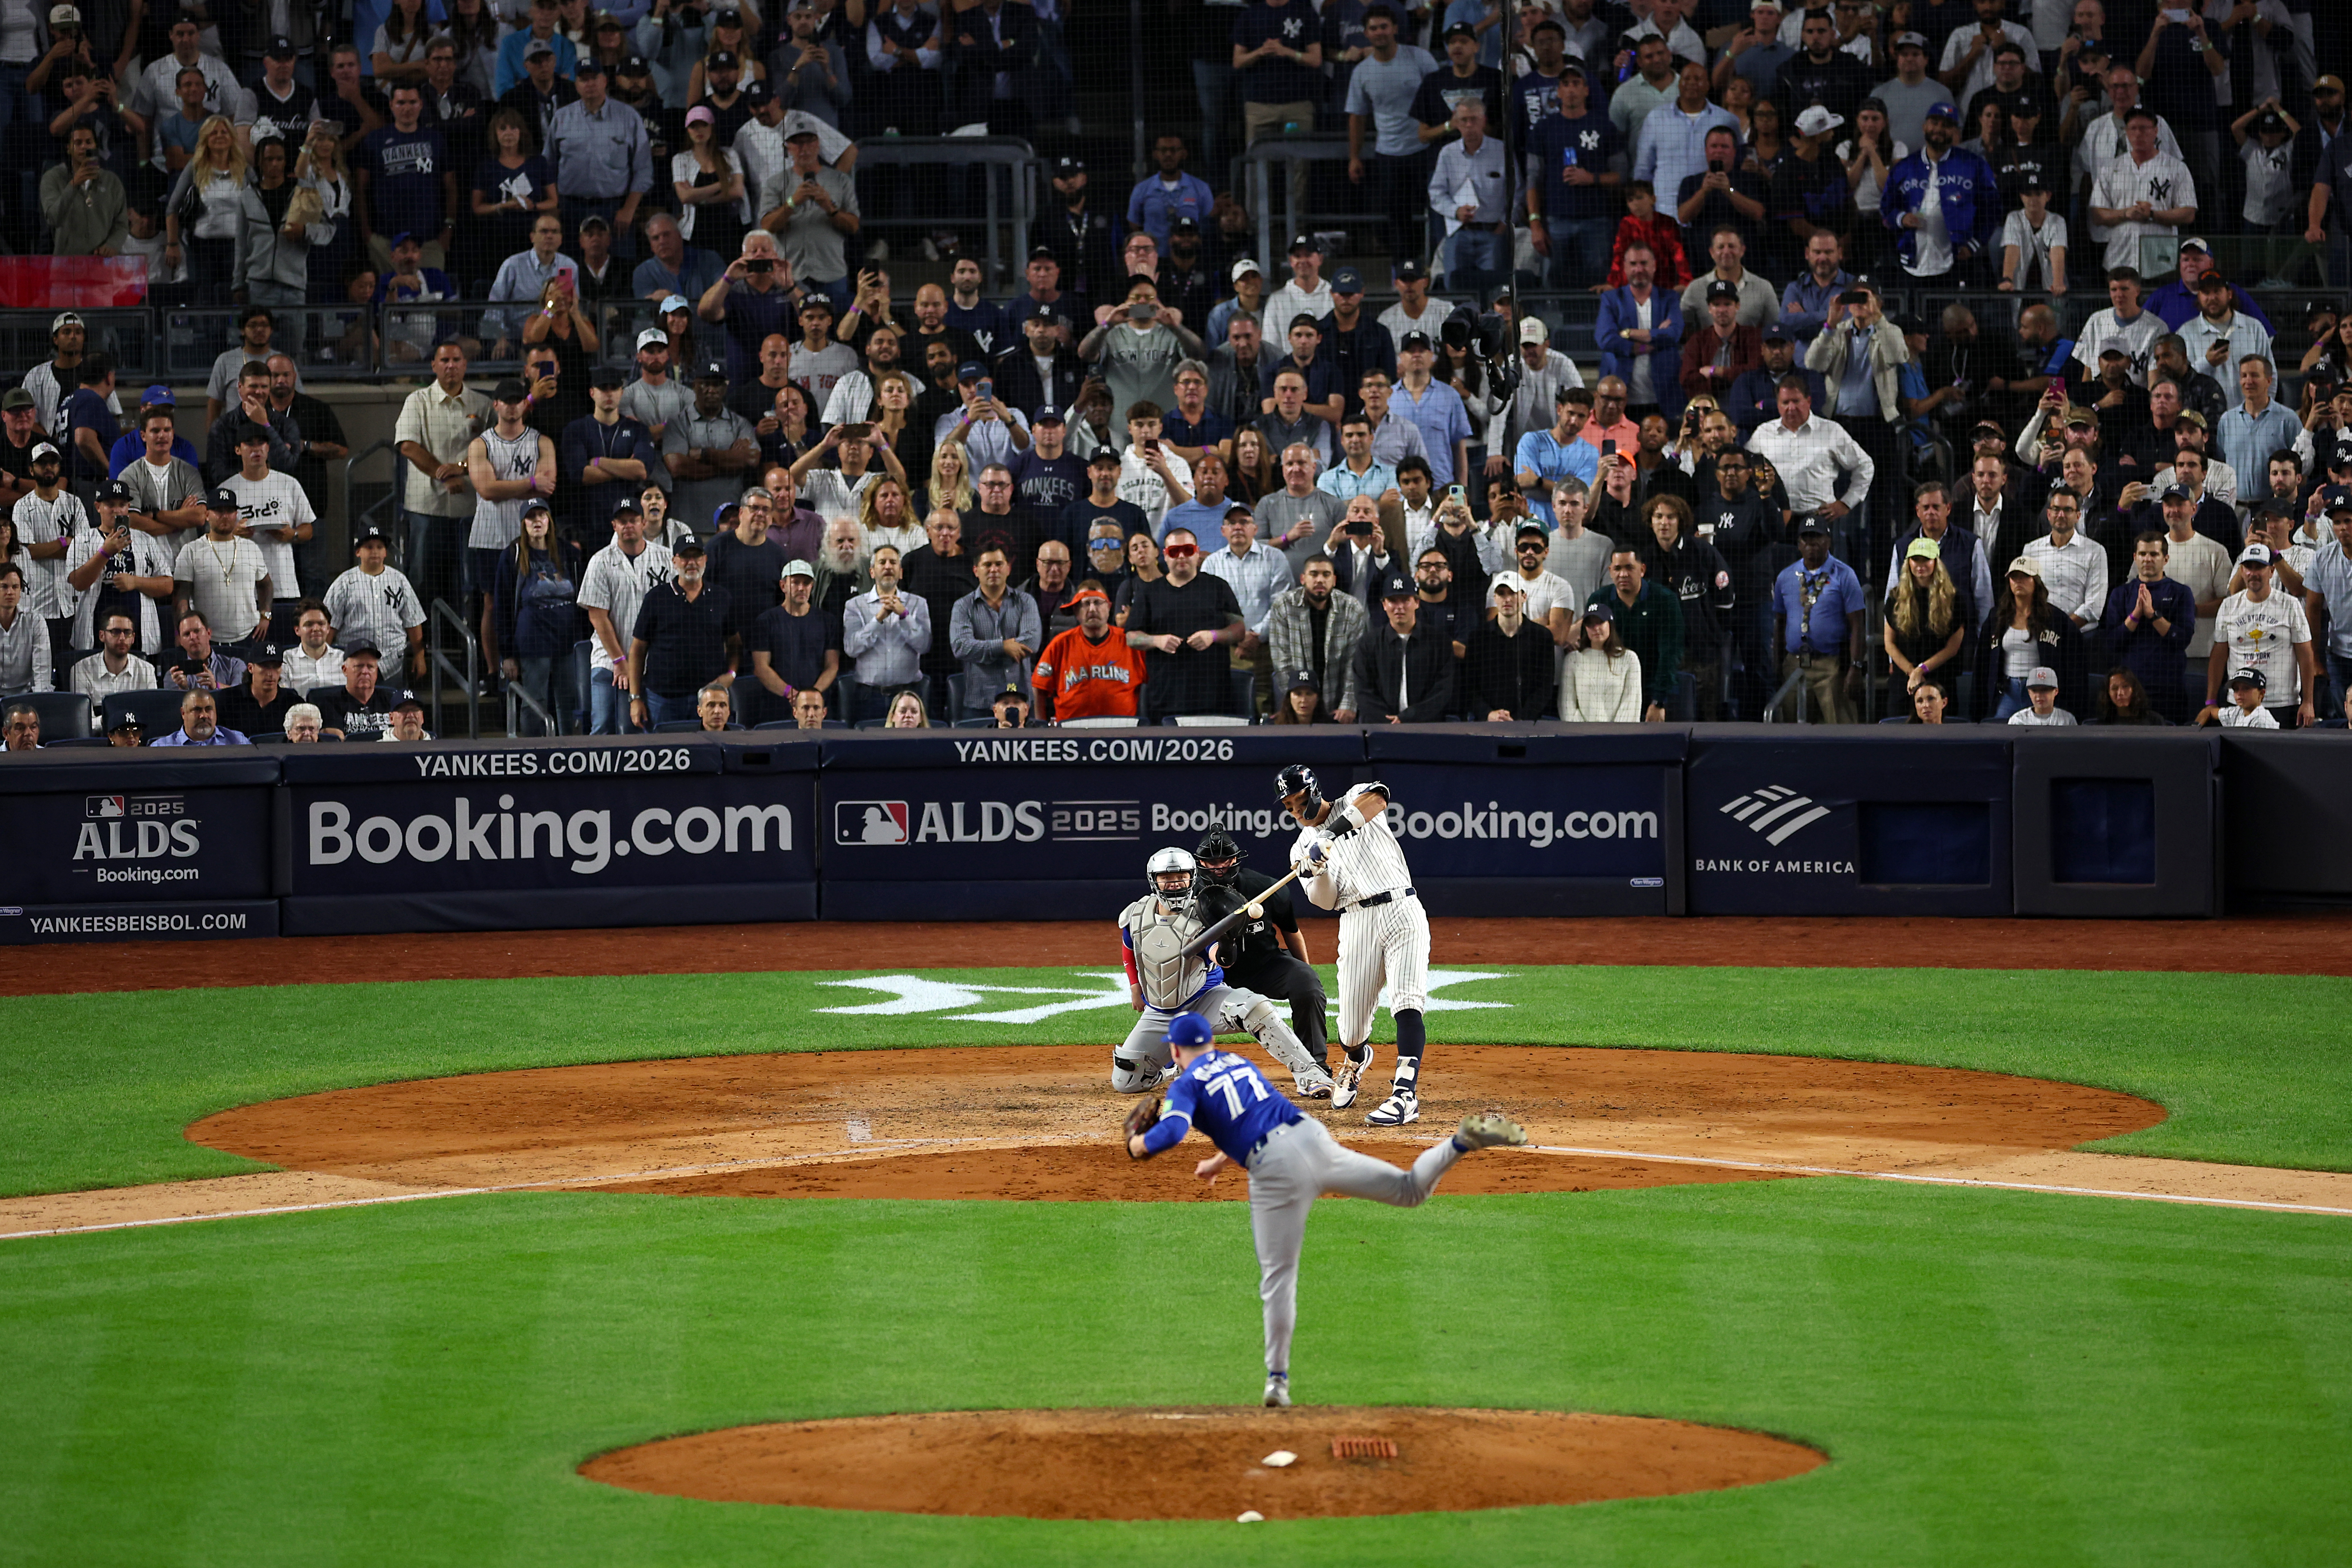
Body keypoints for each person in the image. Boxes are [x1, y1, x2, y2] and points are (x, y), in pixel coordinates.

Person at [1275, 764, 1428, 1125]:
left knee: (1408, 1001)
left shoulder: (1353, 797)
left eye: (1300, 801)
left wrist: (1331, 834)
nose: (1297, 812)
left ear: (1314, 791)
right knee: (1351, 1029)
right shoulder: (1300, 848)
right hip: (1356, 920)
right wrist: (1320, 868)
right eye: (1289, 807)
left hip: (1401, 906)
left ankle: (1405, 1095)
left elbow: (1379, 798)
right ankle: (1356, 1059)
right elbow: (1325, 901)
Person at [2201, 542, 2315, 727]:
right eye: (2249, 567)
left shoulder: (2290, 605)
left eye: (2260, 567)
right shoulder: (2229, 606)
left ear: (2271, 571)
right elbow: (2219, 655)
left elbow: (2306, 654)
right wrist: (2211, 701)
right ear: (2242, 571)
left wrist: (2308, 701)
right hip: (2239, 704)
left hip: (2282, 702)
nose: (2254, 573)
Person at [628, 537, 735, 728]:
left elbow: (735, 643)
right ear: (675, 561)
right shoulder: (656, 598)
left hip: (707, 699)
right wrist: (635, 698)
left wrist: (732, 674)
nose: (691, 563)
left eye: (697, 557)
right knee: (665, 754)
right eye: (685, 557)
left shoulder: (722, 598)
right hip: (663, 699)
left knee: (707, 753)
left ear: (705, 559)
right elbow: (638, 649)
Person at [1772, 516, 1866, 722]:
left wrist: (1856, 667)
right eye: (1806, 539)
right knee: (1793, 730)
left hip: (1831, 664)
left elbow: (1858, 624)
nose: (1811, 544)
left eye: (1817, 538)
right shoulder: (1785, 577)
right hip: (1794, 663)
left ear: (1829, 541)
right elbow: (1780, 624)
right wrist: (1777, 666)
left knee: (1841, 730)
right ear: (1798, 544)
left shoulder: (1845, 575)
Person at [1974, 557, 2086, 721]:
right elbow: (1983, 662)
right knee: (2000, 735)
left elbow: (2074, 662)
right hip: (2006, 691)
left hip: (2041, 692)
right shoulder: (1996, 617)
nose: (2019, 582)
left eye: (2025, 577)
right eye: (2014, 577)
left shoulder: (2057, 619)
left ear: (2036, 581)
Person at [323, 524, 429, 680]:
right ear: (358, 552)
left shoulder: (399, 580)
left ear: (386, 552)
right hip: (354, 662)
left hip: (393, 662)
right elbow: (329, 627)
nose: (375, 551)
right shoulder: (344, 583)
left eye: (380, 547)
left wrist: (419, 655)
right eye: (369, 547)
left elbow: (413, 621)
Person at [1029, 583, 1144, 722]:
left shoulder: (1129, 642)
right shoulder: (1061, 644)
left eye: (1098, 602)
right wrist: (1041, 726)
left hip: (1123, 729)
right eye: (1085, 604)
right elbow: (1039, 687)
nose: (1092, 609)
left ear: (1109, 607)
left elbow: (1149, 686)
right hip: (1071, 732)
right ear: (1077, 612)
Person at [841, 542, 930, 719]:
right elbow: (851, 649)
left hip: (909, 695)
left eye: (893, 562)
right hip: (869, 696)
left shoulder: (918, 604)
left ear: (901, 572)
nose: (888, 567)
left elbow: (924, 646)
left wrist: (904, 615)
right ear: (872, 572)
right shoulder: (854, 606)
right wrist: (878, 619)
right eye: (882, 563)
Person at [1884, 537, 1970, 703]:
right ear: (1908, 562)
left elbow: (1952, 648)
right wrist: (1912, 672)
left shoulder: (1954, 599)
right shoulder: (1896, 597)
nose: (1920, 565)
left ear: (1936, 562)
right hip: (1905, 680)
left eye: (1926, 560)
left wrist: (1921, 670)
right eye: (1916, 560)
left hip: (1941, 678)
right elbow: (1889, 644)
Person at [1463, 574, 1555, 719]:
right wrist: (1488, 714)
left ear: (1524, 597)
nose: (1507, 599)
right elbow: (1469, 685)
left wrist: (1520, 719)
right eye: (1501, 594)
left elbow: (1544, 687)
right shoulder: (1478, 638)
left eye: (1513, 593)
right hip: (1487, 723)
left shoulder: (1542, 637)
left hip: (1528, 723)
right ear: (1495, 598)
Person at [149, 688, 250, 747]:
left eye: (209, 709)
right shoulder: (162, 747)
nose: (204, 716)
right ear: (183, 713)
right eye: (197, 710)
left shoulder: (238, 741)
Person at [2007, 663, 2077, 725]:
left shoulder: (2067, 720)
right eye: (2035, 691)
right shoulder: (2017, 720)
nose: (2039, 695)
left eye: (2045, 690)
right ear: (2029, 693)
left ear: (2056, 691)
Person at [2213, 667, 2280, 727]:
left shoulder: (2262, 720)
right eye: (2236, 689)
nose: (2239, 694)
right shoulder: (2238, 711)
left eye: (2246, 689)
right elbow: (2211, 712)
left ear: (2261, 694)